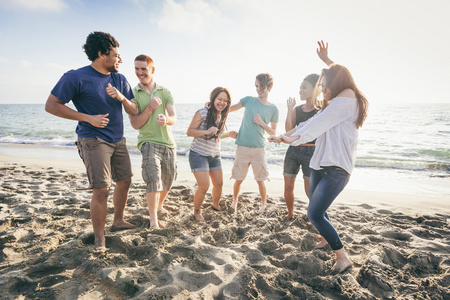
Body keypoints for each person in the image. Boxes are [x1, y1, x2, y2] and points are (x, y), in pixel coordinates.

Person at [269, 41, 368, 273]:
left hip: (337, 169)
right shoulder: (335, 103)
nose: (322, 90)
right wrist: (284, 136)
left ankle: (342, 256)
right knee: (319, 211)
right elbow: (312, 122)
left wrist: (289, 138)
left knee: (313, 213)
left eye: (324, 85)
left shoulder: (348, 99)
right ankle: (326, 239)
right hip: (320, 164)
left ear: (335, 82)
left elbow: (316, 123)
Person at [45, 31, 138, 249]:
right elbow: (51, 105)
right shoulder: (75, 77)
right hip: (93, 140)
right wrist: (87, 118)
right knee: (102, 189)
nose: (120, 60)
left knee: (124, 181)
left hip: (118, 139)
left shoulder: (119, 79)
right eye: (116, 55)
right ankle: (99, 237)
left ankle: (117, 221)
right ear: (101, 54)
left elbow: (134, 110)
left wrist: (122, 97)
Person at [129, 54, 176, 229]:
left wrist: (166, 119)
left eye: (143, 68)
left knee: (169, 180)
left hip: (168, 143)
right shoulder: (132, 94)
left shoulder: (165, 92)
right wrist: (150, 108)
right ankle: (153, 220)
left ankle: (159, 204)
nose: (139, 72)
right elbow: (134, 123)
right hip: (148, 142)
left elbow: (173, 117)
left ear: (152, 69)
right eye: (136, 68)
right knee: (154, 179)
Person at [229, 73, 279, 214]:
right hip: (242, 147)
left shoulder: (273, 109)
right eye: (256, 86)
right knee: (238, 179)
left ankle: (263, 204)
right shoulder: (248, 100)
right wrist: (213, 105)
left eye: (262, 87)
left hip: (258, 149)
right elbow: (229, 109)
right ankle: (234, 202)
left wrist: (262, 123)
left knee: (260, 179)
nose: (258, 90)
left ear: (270, 87)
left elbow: (273, 133)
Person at [186, 87, 237, 221]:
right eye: (219, 99)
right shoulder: (202, 112)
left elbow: (216, 135)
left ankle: (215, 204)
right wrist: (206, 131)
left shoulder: (222, 116)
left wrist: (228, 134)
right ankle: (197, 212)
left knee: (219, 184)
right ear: (213, 98)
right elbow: (190, 132)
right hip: (198, 154)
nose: (222, 103)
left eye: (225, 101)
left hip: (214, 155)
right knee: (204, 186)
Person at [283, 73, 320, 220]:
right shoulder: (297, 109)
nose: (300, 90)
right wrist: (290, 109)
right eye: (300, 87)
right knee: (287, 186)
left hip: (312, 152)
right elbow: (288, 130)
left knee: (309, 190)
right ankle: (290, 213)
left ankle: (314, 216)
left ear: (315, 88)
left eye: (304, 87)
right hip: (293, 150)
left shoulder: (322, 110)